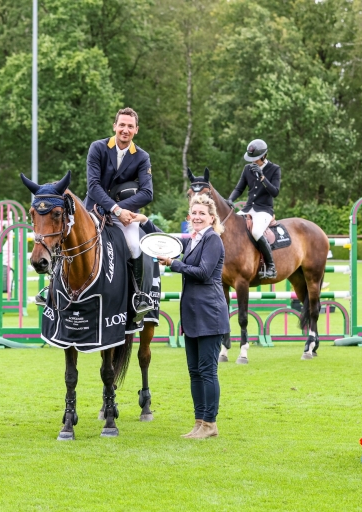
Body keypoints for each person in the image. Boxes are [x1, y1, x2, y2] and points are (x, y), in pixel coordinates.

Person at [134, 194, 229, 439]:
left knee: (208, 371)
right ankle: (200, 422)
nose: (197, 217)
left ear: (211, 217)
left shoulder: (212, 240)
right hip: (193, 316)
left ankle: (210, 423)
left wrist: (174, 264)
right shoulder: (194, 240)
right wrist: (145, 222)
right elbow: (166, 242)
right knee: (195, 372)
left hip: (210, 315)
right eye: (193, 213)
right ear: (189, 217)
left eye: (202, 214)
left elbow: (204, 272)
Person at [84, 107, 154, 321]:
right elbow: (93, 185)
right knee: (70, 235)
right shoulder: (98, 148)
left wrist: (122, 210)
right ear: (115, 126)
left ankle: (139, 297)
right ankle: (52, 290)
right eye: (121, 125)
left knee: (134, 245)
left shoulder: (142, 157)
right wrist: (115, 209)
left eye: (130, 126)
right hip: (95, 209)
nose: (125, 130)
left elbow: (147, 193)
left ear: (136, 130)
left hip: (126, 215)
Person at [227, 138, 281, 279]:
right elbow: (239, 188)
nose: (253, 161)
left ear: (264, 156)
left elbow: (275, 192)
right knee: (231, 226)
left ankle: (271, 267)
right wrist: (231, 199)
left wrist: (263, 177)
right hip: (248, 208)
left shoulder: (274, 169)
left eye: (256, 158)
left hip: (264, 210)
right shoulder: (247, 169)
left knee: (256, 231)